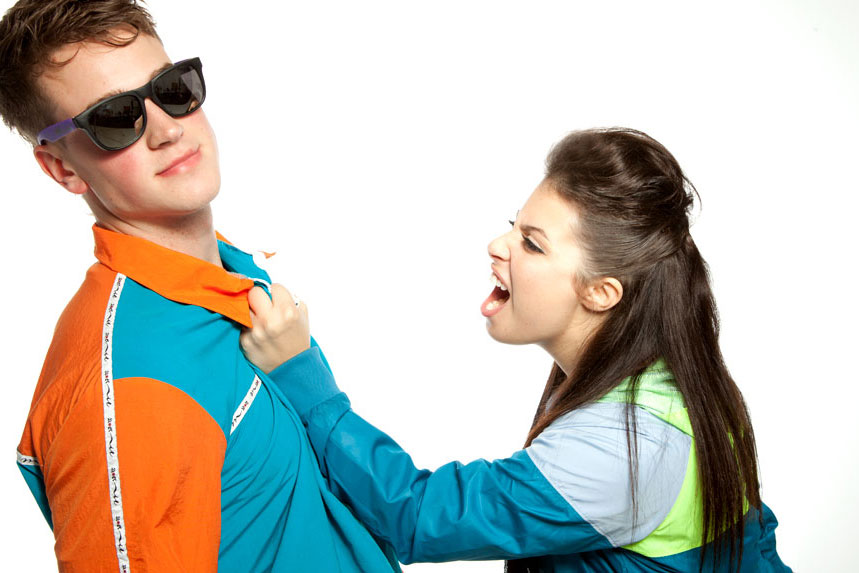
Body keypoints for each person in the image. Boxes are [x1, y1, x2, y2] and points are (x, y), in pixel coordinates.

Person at [240, 128, 792, 571]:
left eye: (531, 244)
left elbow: (419, 517)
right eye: (514, 227)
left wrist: (301, 375)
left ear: (601, 293)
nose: (497, 245)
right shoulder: (677, 382)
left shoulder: (626, 448)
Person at [2, 1, 399, 570]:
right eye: (115, 118)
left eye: (172, 89)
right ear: (62, 168)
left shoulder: (231, 278)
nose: (168, 129)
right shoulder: (132, 385)